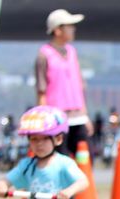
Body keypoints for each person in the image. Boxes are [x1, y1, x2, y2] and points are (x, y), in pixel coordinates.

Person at [35, 9, 93, 157]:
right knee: (61, 158)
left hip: (78, 116)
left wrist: (85, 116)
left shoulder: (72, 52)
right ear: (57, 30)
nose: (73, 29)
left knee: (85, 156)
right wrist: (44, 121)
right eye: (69, 26)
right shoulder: (44, 55)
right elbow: (41, 90)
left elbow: (79, 86)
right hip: (57, 117)